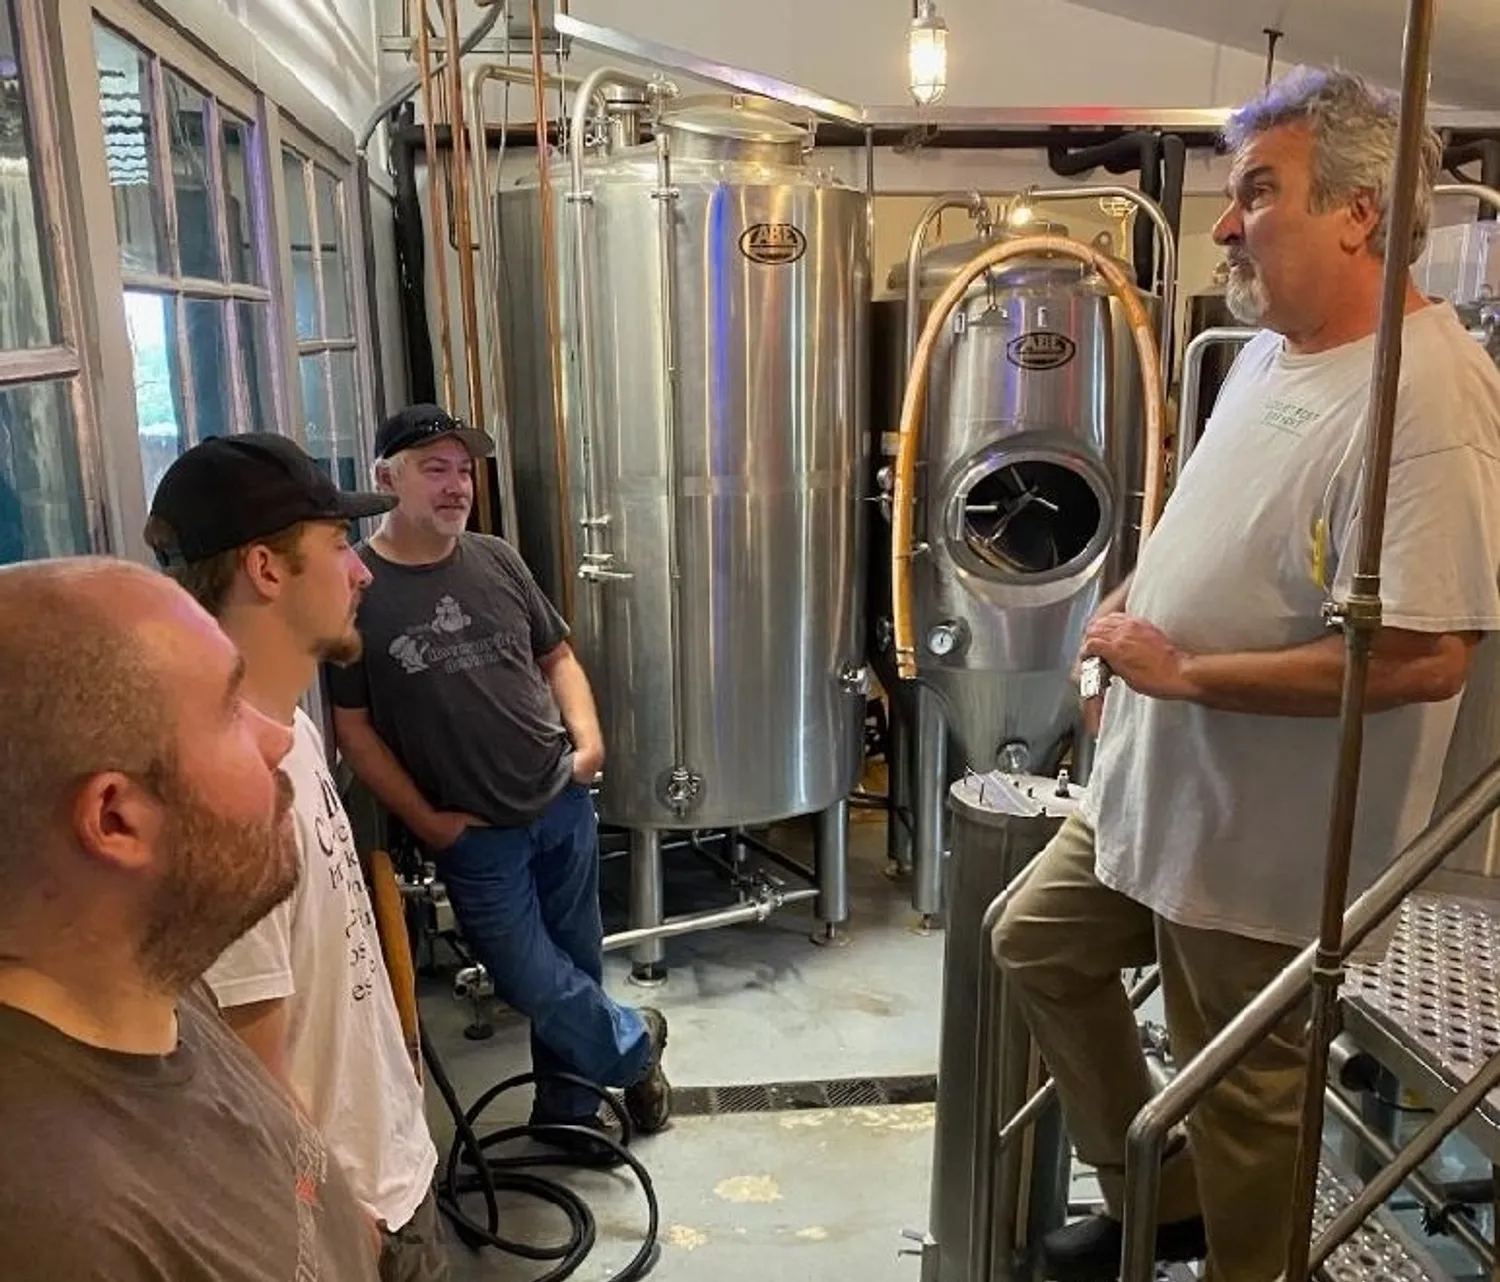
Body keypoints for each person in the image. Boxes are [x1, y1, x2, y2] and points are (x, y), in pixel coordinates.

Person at [992, 66, 1500, 1282]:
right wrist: (1130, 602)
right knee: (1035, 941)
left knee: (1250, 1104)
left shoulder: (1429, 400)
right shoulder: (1276, 353)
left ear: (1359, 212)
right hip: (1154, 790)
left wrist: (1185, 670)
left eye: (1257, 193)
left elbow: (1429, 656)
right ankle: (1157, 1195)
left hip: (1259, 847)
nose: (1227, 223)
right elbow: (1210, 532)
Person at [0, 556, 378, 1280]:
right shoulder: (61, 1233)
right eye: (232, 711)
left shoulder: (161, 982)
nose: (278, 740)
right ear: (115, 817)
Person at [143, 432, 446, 1281]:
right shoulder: (224, 797)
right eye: (336, 544)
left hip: (394, 1168)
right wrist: (344, 1223)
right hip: (362, 1222)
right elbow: (253, 1073)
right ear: (265, 571)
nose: (361, 571)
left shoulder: (292, 729)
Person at [326, 404, 671, 1142]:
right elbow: (351, 727)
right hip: (474, 830)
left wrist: (590, 746)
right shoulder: (358, 585)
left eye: (463, 471)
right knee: (528, 978)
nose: (456, 487)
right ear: (387, 479)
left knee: (574, 960)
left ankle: (569, 1119)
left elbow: (558, 656)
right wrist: (427, 821)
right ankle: (635, 1043)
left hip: (560, 798)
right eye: (434, 469)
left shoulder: (496, 558)